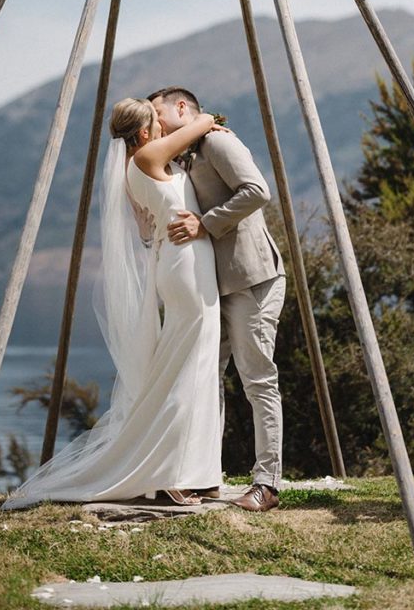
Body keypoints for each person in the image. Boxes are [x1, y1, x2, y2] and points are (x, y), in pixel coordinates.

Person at [3, 98, 223, 508]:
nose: (163, 125)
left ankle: (195, 470)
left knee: (194, 364)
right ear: (142, 134)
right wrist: (211, 120)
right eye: (156, 121)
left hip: (186, 263)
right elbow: (201, 124)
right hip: (186, 267)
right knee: (187, 368)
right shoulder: (145, 160)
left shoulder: (139, 164)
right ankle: (169, 473)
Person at [149, 86, 285, 512]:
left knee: (257, 379)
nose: (154, 123)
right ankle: (207, 476)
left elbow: (257, 190)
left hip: (251, 278)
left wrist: (205, 225)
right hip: (212, 285)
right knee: (207, 378)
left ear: (182, 108)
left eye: (158, 113)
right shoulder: (184, 151)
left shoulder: (218, 141)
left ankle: (268, 484)